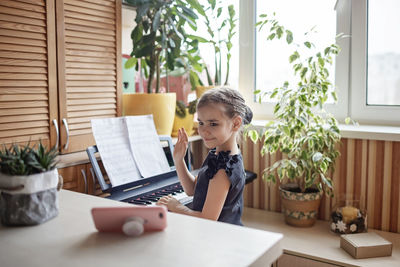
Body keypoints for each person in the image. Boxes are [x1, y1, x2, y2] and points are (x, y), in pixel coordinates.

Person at [156, 87, 253, 225]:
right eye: (201, 122)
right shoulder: (219, 155)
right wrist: (179, 160)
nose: (204, 130)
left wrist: (176, 207)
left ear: (236, 123)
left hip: (219, 239)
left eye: (213, 124)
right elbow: (193, 190)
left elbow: (207, 219)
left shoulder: (223, 168)